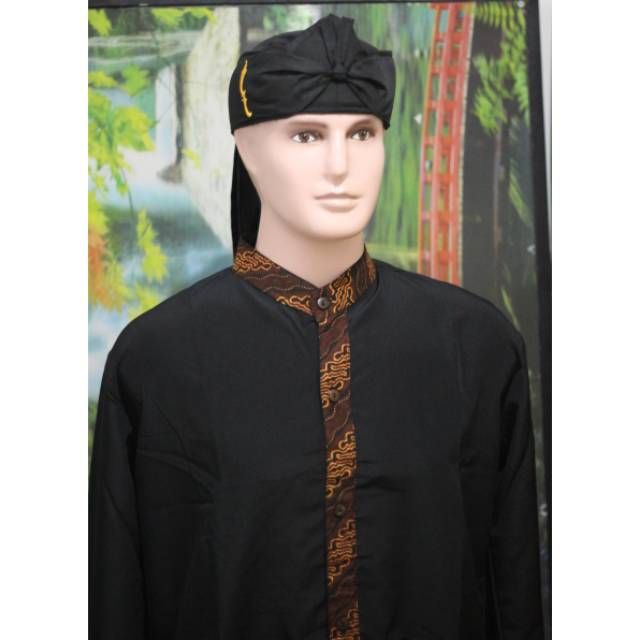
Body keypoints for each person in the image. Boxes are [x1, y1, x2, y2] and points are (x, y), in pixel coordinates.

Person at [89, 13, 544, 640]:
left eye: (362, 133)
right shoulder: (156, 362)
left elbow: (511, 592)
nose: (339, 164)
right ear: (247, 150)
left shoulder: (477, 348)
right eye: (306, 135)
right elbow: (118, 600)